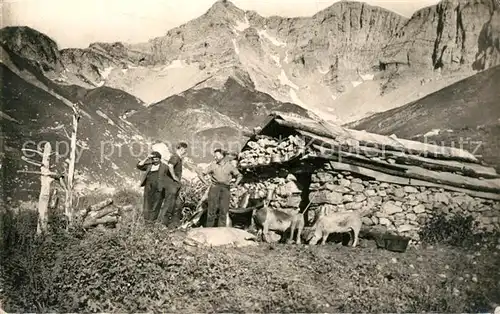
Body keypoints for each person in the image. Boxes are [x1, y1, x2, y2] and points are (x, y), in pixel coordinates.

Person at [199, 149, 243, 227]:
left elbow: (239, 175)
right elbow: (201, 174)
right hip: (214, 188)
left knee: (224, 210)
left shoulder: (229, 166)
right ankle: (208, 230)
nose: (215, 157)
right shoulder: (213, 165)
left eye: (217, 155)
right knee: (211, 210)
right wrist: (206, 183)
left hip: (225, 189)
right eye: (215, 155)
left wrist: (235, 184)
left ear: (222, 156)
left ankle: (221, 230)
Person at [157, 142, 188, 228]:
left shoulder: (178, 158)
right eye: (184, 150)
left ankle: (169, 223)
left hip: (174, 185)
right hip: (171, 185)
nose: (185, 152)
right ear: (181, 149)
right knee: (168, 204)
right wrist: (174, 177)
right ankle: (161, 224)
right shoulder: (175, 157)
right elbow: (170, 166)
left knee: (175, 203)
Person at [137, 151, 167, 222]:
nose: (155, 161)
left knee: (157, 203)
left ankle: (152, 220)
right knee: (147, 202)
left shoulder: (165, 167)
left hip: (159, 187)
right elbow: (139, 165)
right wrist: (147, 158)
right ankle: (146, 220)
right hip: (148, 186)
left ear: (160, 159)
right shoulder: (149, 165)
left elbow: (169, 176)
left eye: (157, 159)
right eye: (153, 159)